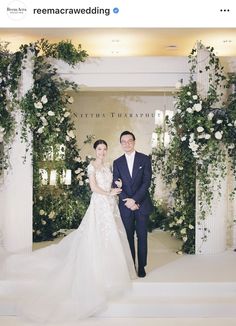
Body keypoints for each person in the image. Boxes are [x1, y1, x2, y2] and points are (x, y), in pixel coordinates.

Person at [1, 139, 136, 323]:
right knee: (96, 235)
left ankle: (109, 269)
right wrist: (109, 194)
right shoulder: (92, 167)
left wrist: (116, 187)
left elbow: (107, 185)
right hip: (99, 204)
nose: (102, 152)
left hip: (109, 205)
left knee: (110, 236)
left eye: (104, 149)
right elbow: (94, 188)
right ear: (95, 150)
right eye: (99, 149)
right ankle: (96, 270)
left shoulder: (107, 166)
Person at [113, 131, 153, 278]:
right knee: (128, 237)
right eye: (123, 141)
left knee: (142, 236)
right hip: (125, 206)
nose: (127, 144)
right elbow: (116, 184)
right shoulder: (117, 162)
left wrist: (135, 200)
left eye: (130, 141)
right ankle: (130, 266)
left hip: (141, 204)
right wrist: (128, 201)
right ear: (121, 144)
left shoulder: (144, 159)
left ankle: (141, 267)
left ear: (134, 142)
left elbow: (146, 183)